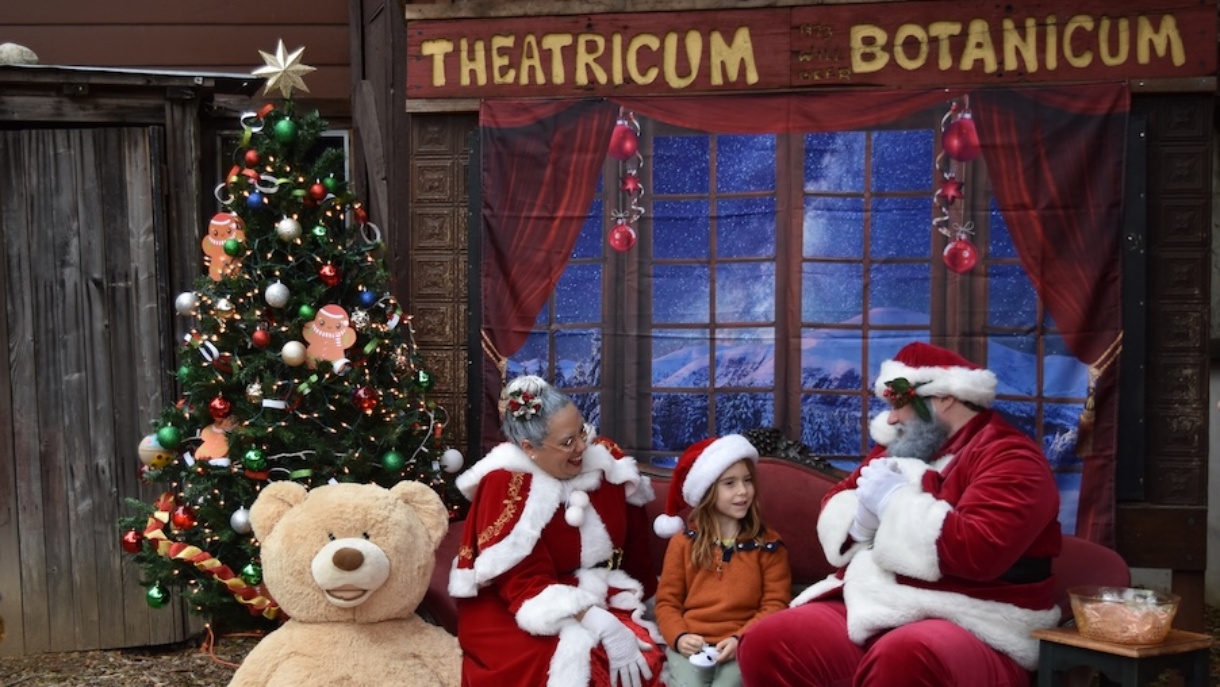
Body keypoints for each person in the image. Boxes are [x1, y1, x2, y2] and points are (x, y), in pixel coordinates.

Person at [737, 342, 1063, 687]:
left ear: (944, 398)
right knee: (768, 642)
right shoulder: (905, 445)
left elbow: (979, 550)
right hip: (877, 601)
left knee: (906, 654)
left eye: (899, 405)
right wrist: (860, 522)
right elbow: (842, 497)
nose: (891, 418)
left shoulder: (1012, 458)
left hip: (974, 615)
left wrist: (895, 502)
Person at [450, 375, 665, 687]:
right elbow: (521, 581)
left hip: (592, 588)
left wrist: (653, 608)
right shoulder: (506, 485)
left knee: (641, 658)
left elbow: (636, 549)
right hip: (509, 604)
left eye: (582, 431)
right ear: (529, 448)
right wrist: (597, 621)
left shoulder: (606, 463)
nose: (582, 446)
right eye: (567, 442)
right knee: (566, 661)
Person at [652, 435, 791, 687]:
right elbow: (667, 603)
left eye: (747, 480)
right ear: (707, 491)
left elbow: (775, 605)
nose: (743, 491)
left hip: (743, 642)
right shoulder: (682, 543)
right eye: (730, 483)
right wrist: (679, 637)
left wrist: (741, 638)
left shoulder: (768, 545)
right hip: (692, 645)